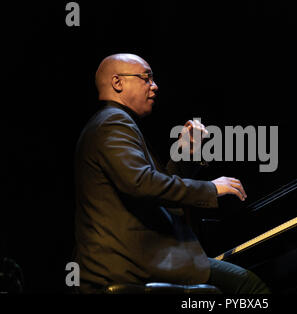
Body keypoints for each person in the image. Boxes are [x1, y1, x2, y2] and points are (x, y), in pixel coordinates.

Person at [73, 53, 270, 294]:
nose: (155, 86)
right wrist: (212, 188)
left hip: (139, 258)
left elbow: (154, 190)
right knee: (250, 287)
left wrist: (184, 153)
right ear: (118, 83)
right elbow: (143, 184)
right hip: (130, 263)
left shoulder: (114, 123)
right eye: (147, 78)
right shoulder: (113, 123)